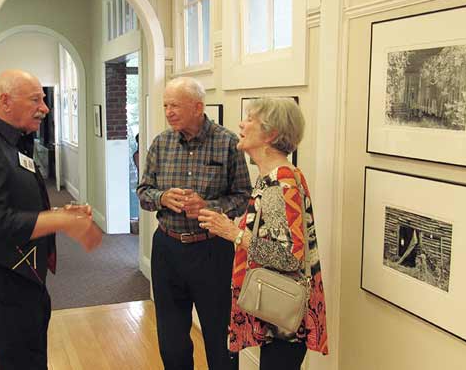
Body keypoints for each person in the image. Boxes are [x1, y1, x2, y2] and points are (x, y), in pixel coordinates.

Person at [0, 69, 103, 370]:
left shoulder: (14, 145)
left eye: (44, 100)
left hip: (27, 277)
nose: (45, 108)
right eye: (36, 99)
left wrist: (63, 214)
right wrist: (59, 220)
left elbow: (20, 202)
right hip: (4, 279)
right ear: (6, 102)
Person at [198, 97, 329, 370]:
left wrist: (233, 233)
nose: (241, 124)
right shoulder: (274, 176)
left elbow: (289, 256)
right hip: (278, 316)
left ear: (270, 134)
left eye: (250, 120)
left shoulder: (278, 186)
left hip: (284, 323)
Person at [137, 77, 251, 370]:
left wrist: (208, 207)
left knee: (220, 339)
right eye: (165, 105)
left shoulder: (228, 143)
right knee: (171, 340)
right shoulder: (160, 144)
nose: (168, 111)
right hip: (167, 248)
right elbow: (143, 193)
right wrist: (163, 198)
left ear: (198, 107)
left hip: (212, 251)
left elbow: (243, 197)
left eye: (175, 105)